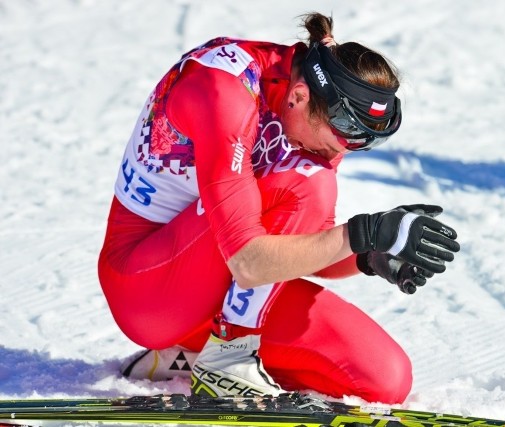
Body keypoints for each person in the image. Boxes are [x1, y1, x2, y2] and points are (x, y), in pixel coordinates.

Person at [98, 12, 460, 404]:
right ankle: (228, 359)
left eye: (364, 142)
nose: (345, 150)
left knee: (384, 378)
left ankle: (195, 356)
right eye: (346, 135)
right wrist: (360, 232)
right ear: (300, 96)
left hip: (215, 288)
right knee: (308, 183)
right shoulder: (225, 91)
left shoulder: (312, 117)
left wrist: (368, 255)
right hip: (147, 291)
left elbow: (302, 246)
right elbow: (249, 263)